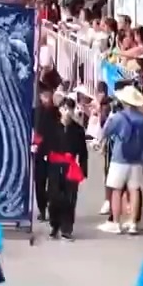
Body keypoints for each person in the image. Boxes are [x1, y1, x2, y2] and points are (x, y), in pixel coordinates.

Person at [101, 86, 143, 235]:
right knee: (134, 190)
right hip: (137, 159)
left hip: (119, 158)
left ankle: (116, 223)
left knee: (116, 190)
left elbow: (106, 131)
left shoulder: (118, 117)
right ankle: (133, 223)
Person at [42, 97, 88, 240]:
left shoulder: (78, 130)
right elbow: (44, 147)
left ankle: (66, 228)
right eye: (65, 109)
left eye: (70, 109)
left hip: (70, 166)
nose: (67, 112)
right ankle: (54, 224)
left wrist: (84, 169)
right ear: (60, 110)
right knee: (54, 196)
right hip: (54, 165)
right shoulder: (51, 128)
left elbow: (83, 152)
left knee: (70, 197)